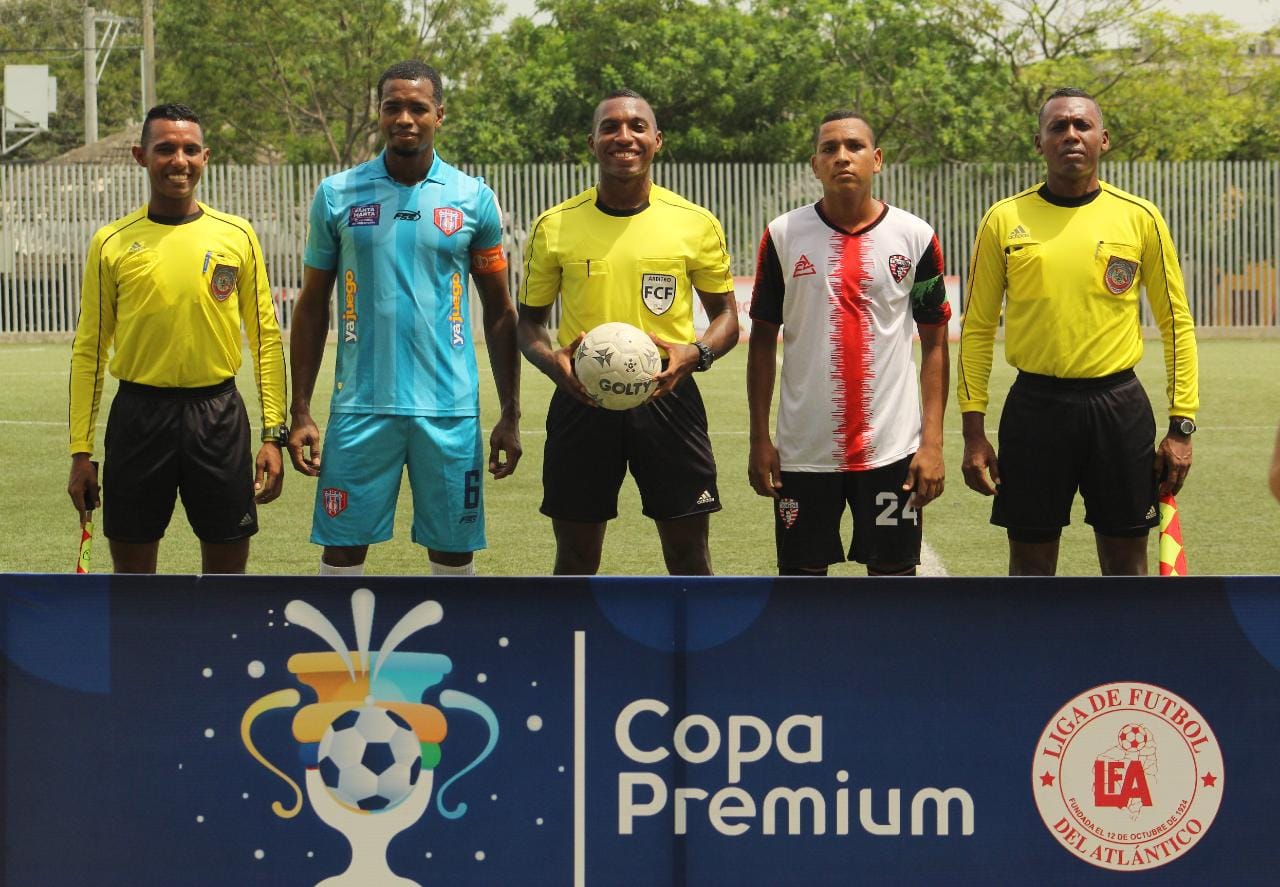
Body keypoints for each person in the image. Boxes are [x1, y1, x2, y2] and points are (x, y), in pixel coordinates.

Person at [287, 60, 521, 577]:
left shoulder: (473, 197)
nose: (405, 119)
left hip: (449, 411)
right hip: (360, 407)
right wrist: (300, 409)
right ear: (379, 113)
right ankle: (341, 634)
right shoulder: (337, 193)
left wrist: (510, 413)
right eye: (392, 107)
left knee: (453, 552)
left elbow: (501, 312)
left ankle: (454, 635)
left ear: (440, 114)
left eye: (418, 107)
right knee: (343, 548)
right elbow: (311, 306)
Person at [958, 87, 1199, 575]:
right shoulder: (1004, 219)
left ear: (1103, 139)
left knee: (1126, 561)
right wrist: (973, 433)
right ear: (1039, 143)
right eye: (1058, 127)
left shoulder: (1140, 217)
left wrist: (1182, 426)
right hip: (1034, 409)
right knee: (1030, 563)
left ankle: (1122, 633)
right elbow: (977, 328)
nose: (1071, 135)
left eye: (1082, 125)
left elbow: (1176, 324)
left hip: (1119, 407)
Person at [517, 88, 739, 575]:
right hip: (581, 397)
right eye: (610, 127)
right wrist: (552, 363)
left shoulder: (695, 222)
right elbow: (528, 323)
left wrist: (696, 353)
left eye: (637, 127)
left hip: (669, 396)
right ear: (592, 143)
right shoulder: (554, 225)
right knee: (575, 557)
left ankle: (689, 633)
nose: (624, 137)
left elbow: (727, 318)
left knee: (689, 556)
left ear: (658, 140)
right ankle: (576, 632)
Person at [67, 103, 287, 574]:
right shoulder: (111, 242)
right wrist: (80, 452)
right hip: (139, 418)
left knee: (227, 577)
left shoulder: (238, 235)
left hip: (218, 416)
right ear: (140, 156)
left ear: (205, 157)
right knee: (133, 579)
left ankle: (219, 630)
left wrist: (273, 435)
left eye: (190, 149)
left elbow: (266, 339)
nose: (179, 161)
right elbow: (89, 350)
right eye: (165, 149)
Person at [747, 110, 950, 577]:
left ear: (876, 159)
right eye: (829, 148)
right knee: (802, 584)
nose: (842, 156)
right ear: (814, 165)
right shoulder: (782, 235)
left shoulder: (916, 236)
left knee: (893, 582)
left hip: (892, 450)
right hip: (804, 452)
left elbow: (935, 344)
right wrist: (760, 440)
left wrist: (932, 444)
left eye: (854, 146)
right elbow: (761, 343)